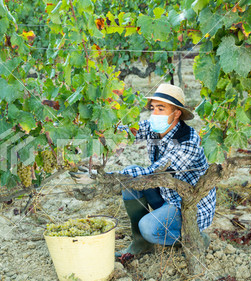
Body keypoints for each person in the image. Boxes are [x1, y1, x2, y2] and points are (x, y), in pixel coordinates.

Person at [71, 83, 216, 257]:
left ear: (176, 113)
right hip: (167, 192)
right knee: (131, 174)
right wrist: (92, 141)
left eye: (161, 109)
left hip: (187, 205)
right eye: (153, 108)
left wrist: (102, 178)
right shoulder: (157, 128)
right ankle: (141, 243)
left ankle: (195, 238)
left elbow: (154, 172)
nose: (155, 114)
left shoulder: (188, 142)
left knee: (148, 227)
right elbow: (129, 132)